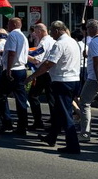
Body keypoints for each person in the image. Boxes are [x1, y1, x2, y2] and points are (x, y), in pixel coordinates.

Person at [26, 21, 81, 154]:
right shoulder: (72, 41)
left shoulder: (60, 44)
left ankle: (73, 144)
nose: (51, 34)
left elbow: (49, 64)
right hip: (73, 79)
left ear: (57, 31)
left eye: (51, 31)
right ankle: (51, 137)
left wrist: (32, 76)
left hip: (62, 81)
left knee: (65, 113)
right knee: (58, 111)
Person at [0, 17, 30, 135]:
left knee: (0, 96)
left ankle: (7, 122)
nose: (7, 26)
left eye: (9, 24)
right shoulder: (24, 37)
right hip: (21, 68)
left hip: (13, 69)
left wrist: (8, 70)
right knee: (21, 99)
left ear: (15, 24)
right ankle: (22, 125)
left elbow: (11, 53)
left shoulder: (12, 36)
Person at [27, 23, 55, 130]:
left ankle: (38, 121)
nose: (34, 34)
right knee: (51, 97)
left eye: (35, 31)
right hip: (51, 73)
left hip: (43, 73)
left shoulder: (43, 42)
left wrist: (23, 55)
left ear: (40, 31)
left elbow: (37, 59)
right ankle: (54, 121)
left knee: (33, 96)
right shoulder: (52, 40)